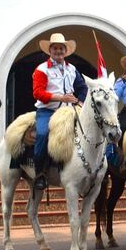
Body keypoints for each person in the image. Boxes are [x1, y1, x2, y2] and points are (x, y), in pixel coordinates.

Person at [32, 33, 88, 191]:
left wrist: (81, 101)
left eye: (61, 48)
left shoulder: (72, 68)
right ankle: (40, 173)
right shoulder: (42, 69)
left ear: (66, 51)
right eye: (55, 48)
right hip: (47, 111)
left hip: (70, 109)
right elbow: (37, 93)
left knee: (90, 129)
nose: (58, 51)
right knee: (42, 134)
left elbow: (82, 87)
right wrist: (60, 97)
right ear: (49, 51)